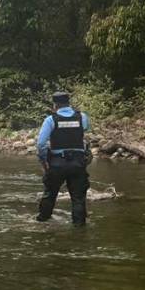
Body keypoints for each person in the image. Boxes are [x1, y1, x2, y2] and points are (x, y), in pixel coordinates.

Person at [36, 91, 91, 225]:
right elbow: (85, 131)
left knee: (50, 194)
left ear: (55, 105)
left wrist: (44, 162)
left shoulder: (50, 120)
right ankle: (79, 228)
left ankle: (43, 222)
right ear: (68, 102)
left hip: (57, 163)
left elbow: (41, 144)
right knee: (78, 198)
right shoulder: (82, 117)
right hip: (78, 163)